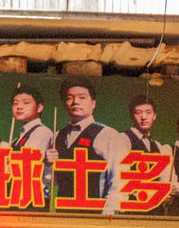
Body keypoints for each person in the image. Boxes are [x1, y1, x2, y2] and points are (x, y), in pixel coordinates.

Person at [51, 80, 127, 210]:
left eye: (82, 97)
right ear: (65, 104)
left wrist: (107, 215)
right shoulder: (57, 136)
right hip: (63, 214)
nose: (76, 102)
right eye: (70, 98)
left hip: (94, 215)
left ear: (93, 104)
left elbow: (119, 181)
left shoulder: (108, 135)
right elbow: (52, 181)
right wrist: (47, 165)